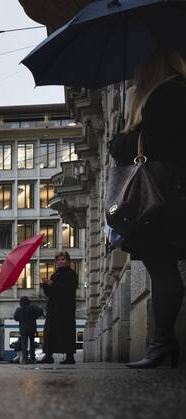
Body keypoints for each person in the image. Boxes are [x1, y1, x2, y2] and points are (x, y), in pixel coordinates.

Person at [110, 49, 186, 369]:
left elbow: (148, 148)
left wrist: (124, 136)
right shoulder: (177, 90)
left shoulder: (166, 94)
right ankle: (161, 343)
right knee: (164, 268)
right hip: (174, 193)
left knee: (163, 268)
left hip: (164, 199)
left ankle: (162, 342)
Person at [39, 252, 78, 365]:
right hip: (53, 308)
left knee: (67, 331)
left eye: (62, 259)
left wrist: (53, 284)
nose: (60, 261)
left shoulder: (72, 274)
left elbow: (70, 289)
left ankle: (70, 356)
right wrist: (46, 285)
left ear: (67, 261)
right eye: (58, 260)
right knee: (50, 331)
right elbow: (49, 294)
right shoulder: (54, 275)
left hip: (66, 309)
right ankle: (48, 355)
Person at [13, 296, 44, 364]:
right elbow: (39, 313)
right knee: (32, 343)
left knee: (24, 344)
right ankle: (32, 358)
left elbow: (15, 318)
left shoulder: (19, 309)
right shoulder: (32, 308)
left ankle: (25, 358)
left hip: (23, 329)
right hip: (32, 328)